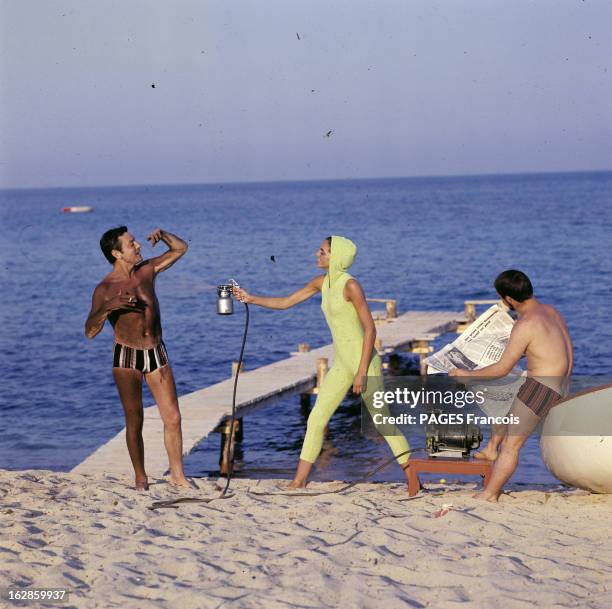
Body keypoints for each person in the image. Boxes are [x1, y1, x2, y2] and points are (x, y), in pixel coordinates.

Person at [232, 236, 411, 489]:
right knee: (316, 419)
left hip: (364, 363)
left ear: (336, 256)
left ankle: (412, 476)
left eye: (323, 251)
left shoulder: (351, 286)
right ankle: (299, 480)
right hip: (342, 363)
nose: (317, 254)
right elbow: (285, 302)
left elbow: (370, 330)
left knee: (382, 421)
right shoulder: (320, 283)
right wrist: (251, 298)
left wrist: (361, 373)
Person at [450, 269, 573, 501]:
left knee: (512, 445)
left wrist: (466, 374)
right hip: (559, 383)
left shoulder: (525, 324)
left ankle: (490, 494)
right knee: (500, 395)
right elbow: (565, 350)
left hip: (541, 389)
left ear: (507, 299)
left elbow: (501, 368)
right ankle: (490, 449)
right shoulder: (551, 311)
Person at [85, 226, 193, 491]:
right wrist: (109, 307)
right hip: (127, 356)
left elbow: (181, 248)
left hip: (156, 350)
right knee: (135, 420)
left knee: (173, 418)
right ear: (116, 253)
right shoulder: (104, 288)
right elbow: (89, 331)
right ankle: (141, 477)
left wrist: (165, 235)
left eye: (135, 242)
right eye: (131, 244)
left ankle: (178, 476)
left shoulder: (147, 271)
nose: (138, 246)